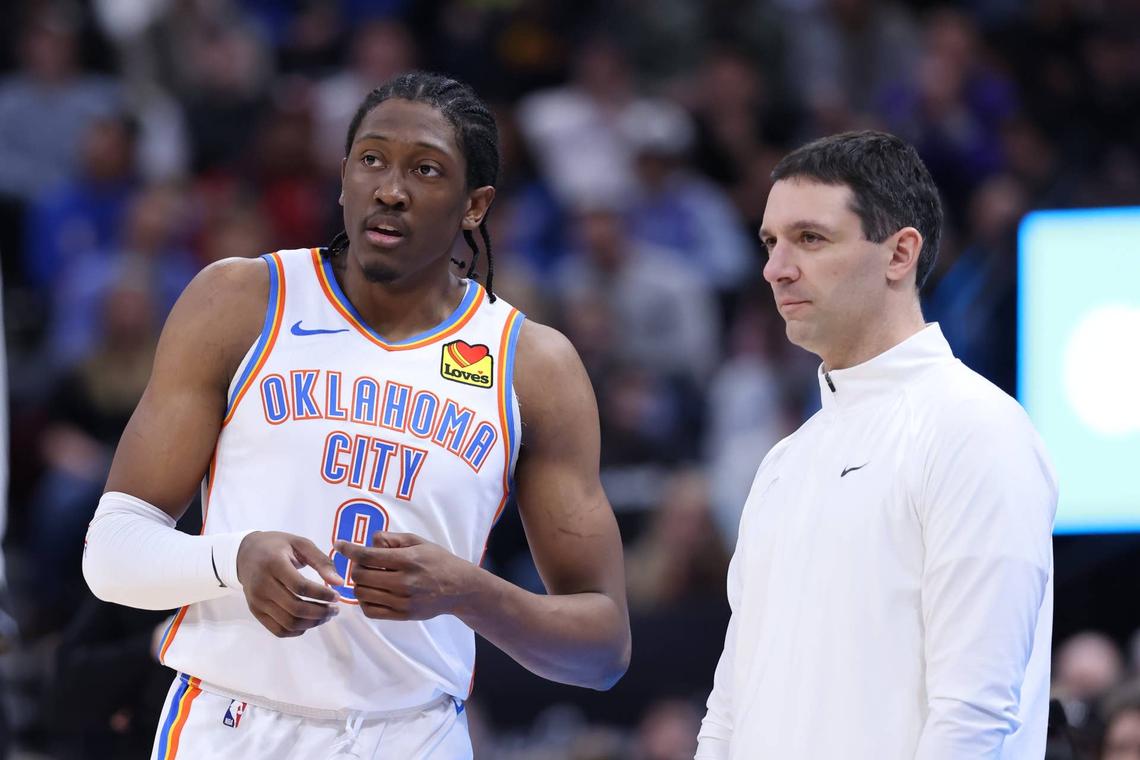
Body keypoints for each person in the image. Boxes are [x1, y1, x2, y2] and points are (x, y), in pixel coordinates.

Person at [83, 71, 630, 759]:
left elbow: (603, 648)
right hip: (232, 725)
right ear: (343, 176)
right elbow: (110, 553)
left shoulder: (532, 366)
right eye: (371, 159)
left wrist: (469, 592)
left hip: (414, 733)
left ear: (474, 205)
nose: (391, 189)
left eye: (426, 170)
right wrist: (233, 560)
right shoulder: (243, 300)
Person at [696, 131, 1057, 759]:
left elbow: (973, 713)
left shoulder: (976, 430)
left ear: (900, 254)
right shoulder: (784, 463)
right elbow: (729, 709)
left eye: (809, 239)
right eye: (770, 242)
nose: (776, 268)